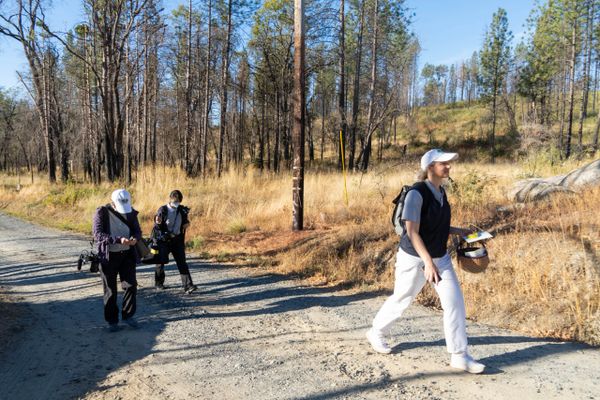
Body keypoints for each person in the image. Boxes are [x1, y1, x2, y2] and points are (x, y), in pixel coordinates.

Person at [366, 149, 486, 374]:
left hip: (439, 258)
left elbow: (435, 226)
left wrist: (460, 231)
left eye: (449, 163)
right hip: (413, 258)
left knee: (454, 302)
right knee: (403, 298)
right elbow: (412, 232)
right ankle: (376, 331)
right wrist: (428, 263)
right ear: (430, 167)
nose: (449, 166)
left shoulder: (441, 193)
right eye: (444, 163)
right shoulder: (416, 193)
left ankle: (459, 355)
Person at [92, 189, 142, 332]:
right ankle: (112, 321)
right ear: (112, 202)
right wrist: (118, 239)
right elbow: (98, 235)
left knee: (131, 285)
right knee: (110, 290)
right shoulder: (101, 212)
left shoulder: (131, 212)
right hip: (109, 257)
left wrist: (135, 239)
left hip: (127, 255)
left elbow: (138, 231)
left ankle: (128, 316)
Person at [153, 190, 198, 294]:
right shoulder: (163, 209)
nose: (176, 203)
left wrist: (187, 223)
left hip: (177, 240)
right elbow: (157, 226)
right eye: (174, 200)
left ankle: (188, 286)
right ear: (170, 199)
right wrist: (158, 222)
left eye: (178, 201)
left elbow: (185, 221)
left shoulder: (181, 210)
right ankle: (159, 283)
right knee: (161, 262)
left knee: (182, 262)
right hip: (164, 240)